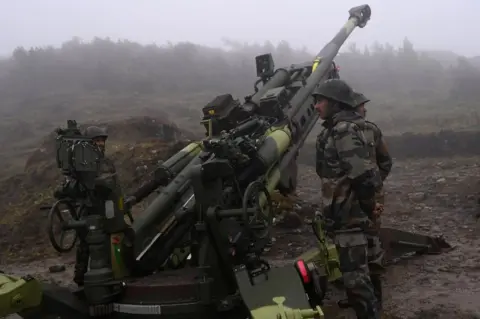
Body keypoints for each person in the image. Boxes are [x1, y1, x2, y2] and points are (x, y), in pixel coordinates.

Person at [313, 79, 382, 319]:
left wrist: (368, 205)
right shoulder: (341, 128)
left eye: (320, 101)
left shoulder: (342, 130)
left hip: (350, 216)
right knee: (366, 272)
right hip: (351, 214)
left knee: (355, 281)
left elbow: (361, 174)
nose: (316, 106)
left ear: (334, 103)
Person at [352, 91, 393, 310]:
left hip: (366, 198)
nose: (364, 109)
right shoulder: (344, 132)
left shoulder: (372, 130)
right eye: (360, 105)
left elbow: (385, 161)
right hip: (352, 198)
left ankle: (373, 298)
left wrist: (375, 184)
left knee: (370, 242)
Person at [73, 126, 126, 286]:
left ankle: (113, 274)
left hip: (107, 208)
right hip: (89, 209)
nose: (101, 143)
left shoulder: (107, 162)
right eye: (97, 140)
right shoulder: (82, 164)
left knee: (112, 242)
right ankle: (80, 279)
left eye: (102, 140)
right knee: (85, 244)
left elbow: (115, 184)